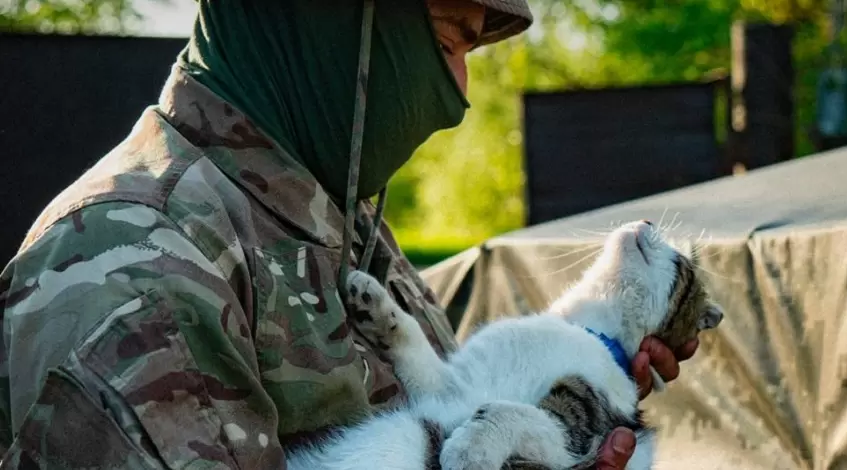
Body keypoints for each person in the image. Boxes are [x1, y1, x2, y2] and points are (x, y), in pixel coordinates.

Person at [0, 0, 699, 468]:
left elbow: (443, 410)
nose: (459, 93)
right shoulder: (132, 271)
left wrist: (581, 382)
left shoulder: (331, 220)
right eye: (448, 42)